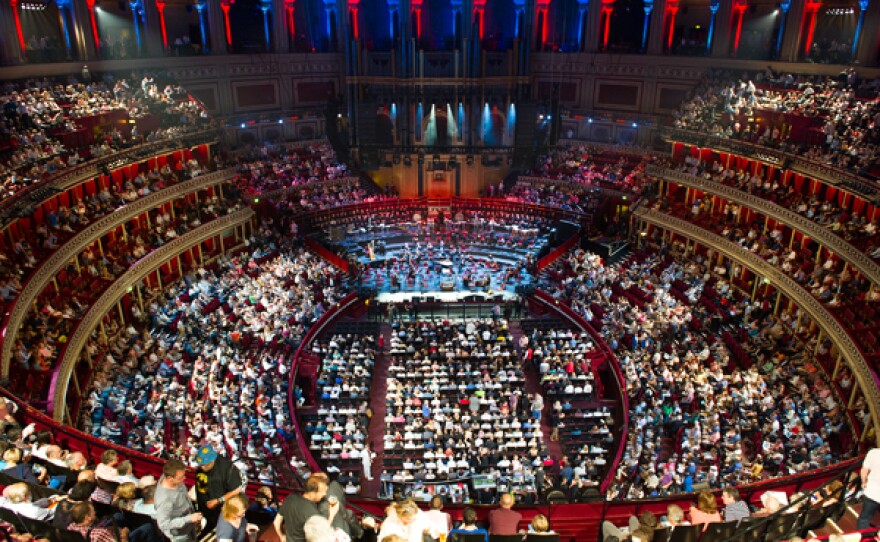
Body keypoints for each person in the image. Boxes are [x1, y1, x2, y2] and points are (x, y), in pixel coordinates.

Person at [194, 445, 246, 533]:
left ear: (212, 460)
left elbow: (237, 489)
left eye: (205, 465)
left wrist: (218, 500)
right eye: (201, 465)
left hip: (222, 510)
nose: (202, 467)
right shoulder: (201, 469)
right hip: (205, 511)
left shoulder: (227, 468)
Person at [155, 459, 203, 542]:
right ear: (170, 478)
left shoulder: (169, 474)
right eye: (181, 477)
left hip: (190, 524)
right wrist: (189, 519)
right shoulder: (165, 499)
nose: (184, 478)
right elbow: (163, 524)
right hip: (181, 535)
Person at [275, 475, 327, 542]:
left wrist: (281, 536)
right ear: (312, 494)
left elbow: (276, 522)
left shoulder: (290, 498)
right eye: (323, 491)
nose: (325, 494)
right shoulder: (313, 513)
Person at [859, 447, 880, 530]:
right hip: (872, 492)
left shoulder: (873, 452)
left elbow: (864, 470)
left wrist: (863, 483)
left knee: (864, 519)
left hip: (872, 492)